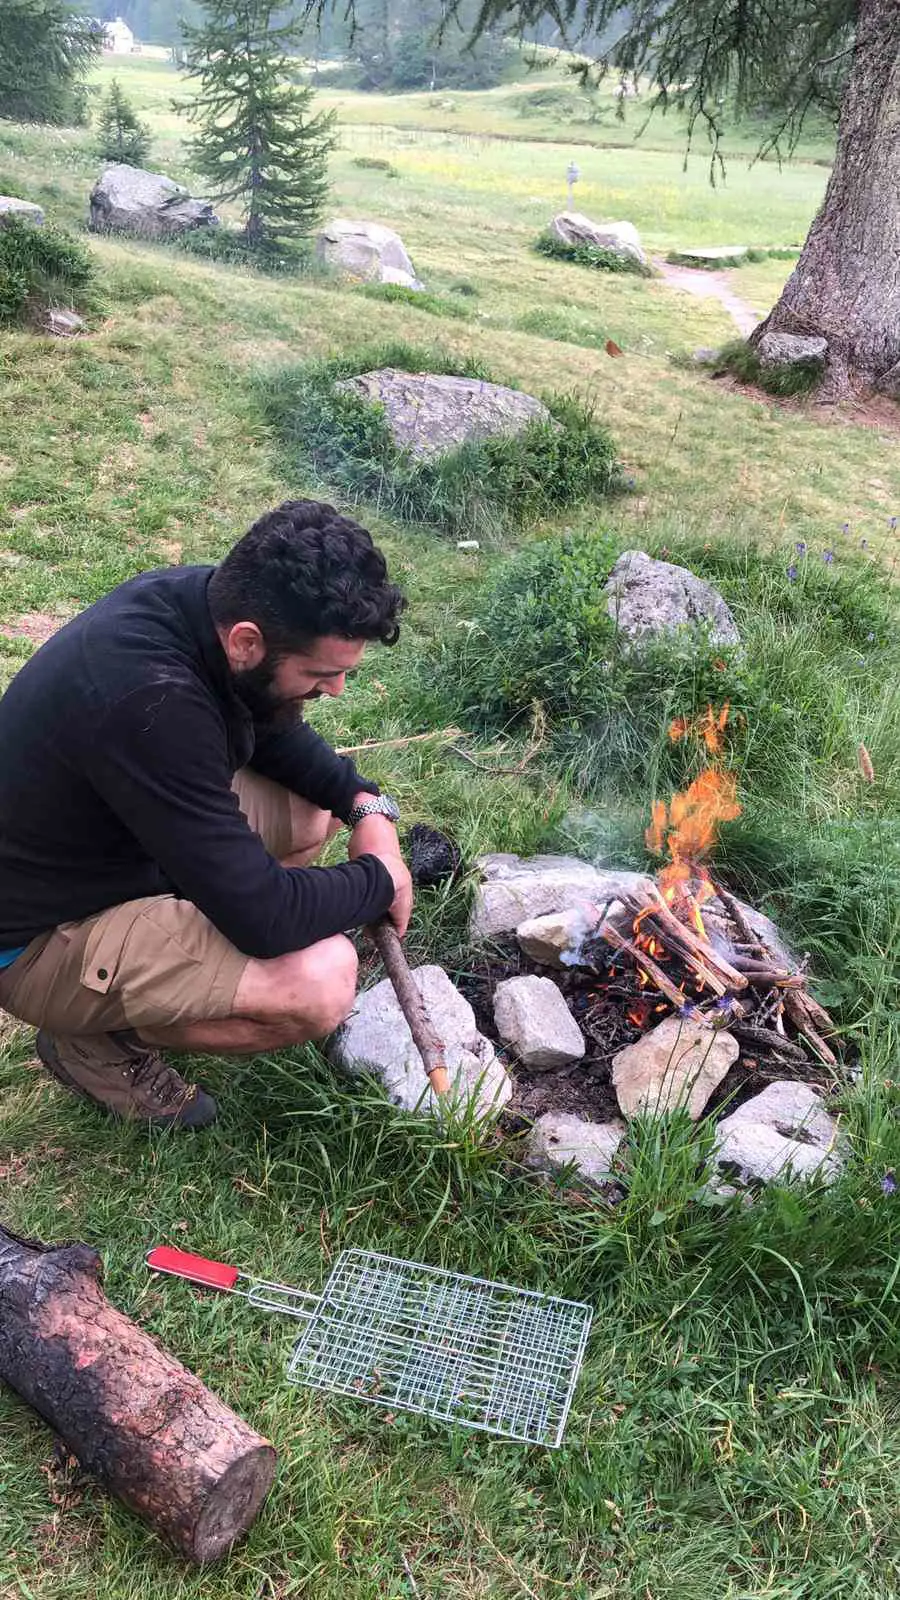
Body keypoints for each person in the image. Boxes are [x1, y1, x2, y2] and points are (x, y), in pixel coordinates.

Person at [0, 499, 413, 1129]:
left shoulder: (207, 608)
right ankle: (95, 1040)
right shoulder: (151, 701)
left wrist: (365, 805)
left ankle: (188, 941)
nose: (335, 689)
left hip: (113, 847)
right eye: (322, 672)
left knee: (313, 811)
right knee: (320, 980)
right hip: (37, 936)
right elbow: (267, 919)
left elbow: (273, 729)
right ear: (247, 641)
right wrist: (382, 878)